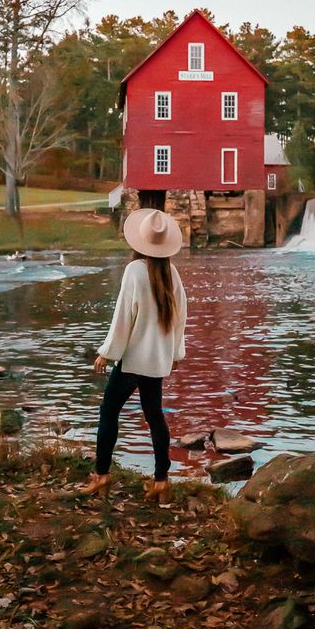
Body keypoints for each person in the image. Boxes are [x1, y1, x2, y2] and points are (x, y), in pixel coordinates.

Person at [81, 208, 187, 503]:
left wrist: (107, 353)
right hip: (156, 361)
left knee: (109, 411)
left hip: (133, 361)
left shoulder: (134, 271)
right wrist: (175, 353)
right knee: (155, 416)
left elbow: (123, 318)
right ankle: (161, 480)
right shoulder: (171, 272)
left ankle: (101, 475)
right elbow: (181, 318)